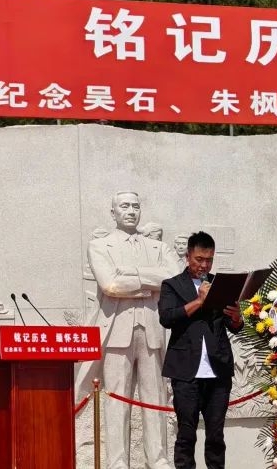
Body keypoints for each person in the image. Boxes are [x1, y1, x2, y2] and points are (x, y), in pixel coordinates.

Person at [84, 191, 178, 469]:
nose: (131, 211)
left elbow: (174, 278)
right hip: (117, 331)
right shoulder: (99, 246)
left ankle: (158, 459)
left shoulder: (157, 247)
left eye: (135, 206)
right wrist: (149, 280)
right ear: (113, 212)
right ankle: (117, 462)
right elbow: (110, 285)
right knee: (116, 399)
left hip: (152, 329)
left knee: (155, 397)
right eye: (124, 206)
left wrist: (130, 274)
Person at [158, 232, 244, 469]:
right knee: (186, 434)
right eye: (199, 259)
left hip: (218, 371)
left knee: (216, 435)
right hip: (186, 372)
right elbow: (167, 318)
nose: (204, 265)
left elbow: (234, 326)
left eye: (209, 260)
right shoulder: (172, 285)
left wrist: (237, 318)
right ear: (188, 257)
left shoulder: (221, 284)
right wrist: (199, 301)